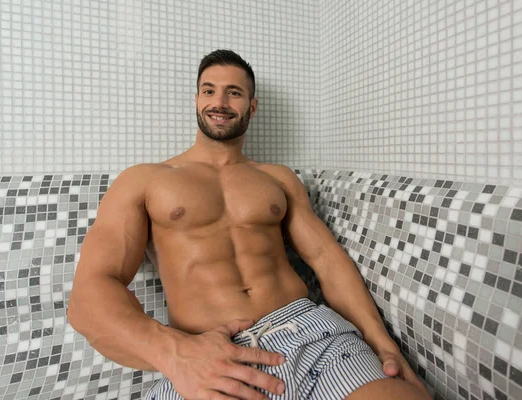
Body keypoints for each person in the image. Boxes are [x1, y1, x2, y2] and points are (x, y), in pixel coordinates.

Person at [68, 49, 431, 400]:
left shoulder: (278, 178)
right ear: (196, 100)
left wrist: (383, 344)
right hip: (211, 357)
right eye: (209, 90)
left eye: (234, 92)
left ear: (252, 107)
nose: (220, 102)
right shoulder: (143, 179)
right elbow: (89, 294)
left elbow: (326, 259)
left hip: (314, 338)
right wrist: (176, 353)